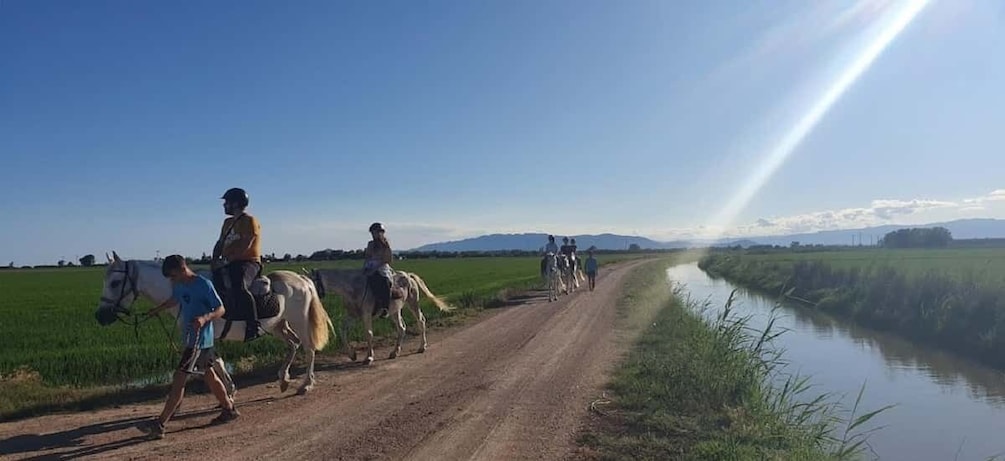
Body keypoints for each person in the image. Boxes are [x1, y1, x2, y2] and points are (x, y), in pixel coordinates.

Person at [138, 255, 239, 439]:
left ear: (182, 270)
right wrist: (156, 310)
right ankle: (229, 409)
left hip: (199, 341)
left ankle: (160, 424)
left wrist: (204, 318)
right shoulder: (179, 284)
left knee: (179, 379)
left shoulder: (203, 285)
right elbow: (174, 300)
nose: (171, 280)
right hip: (193, 339)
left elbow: (220, 308)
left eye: (172, 276)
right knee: (209, 375)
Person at [211, 187, 263, 342]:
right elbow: (220, 243)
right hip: (229, 262)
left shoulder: (249, 221)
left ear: (235, 204)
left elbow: (247, 243)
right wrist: (214, 259)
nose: (224, 205)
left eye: (226, 202)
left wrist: (227, 260)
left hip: (248, 262)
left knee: (239, 285)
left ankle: (253, 325)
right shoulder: (227, 222)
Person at [364, 222, 394, 318]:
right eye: (372, 233)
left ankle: (385, 307)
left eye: (375, 233)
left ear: (381, 233)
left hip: (382, 267)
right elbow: (367, 256)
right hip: (370, 265)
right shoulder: (370, 244)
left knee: (384, 282)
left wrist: (375, 267)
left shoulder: (385, 245)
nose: (373, 235)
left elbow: (388, 259)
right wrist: (367, 265)